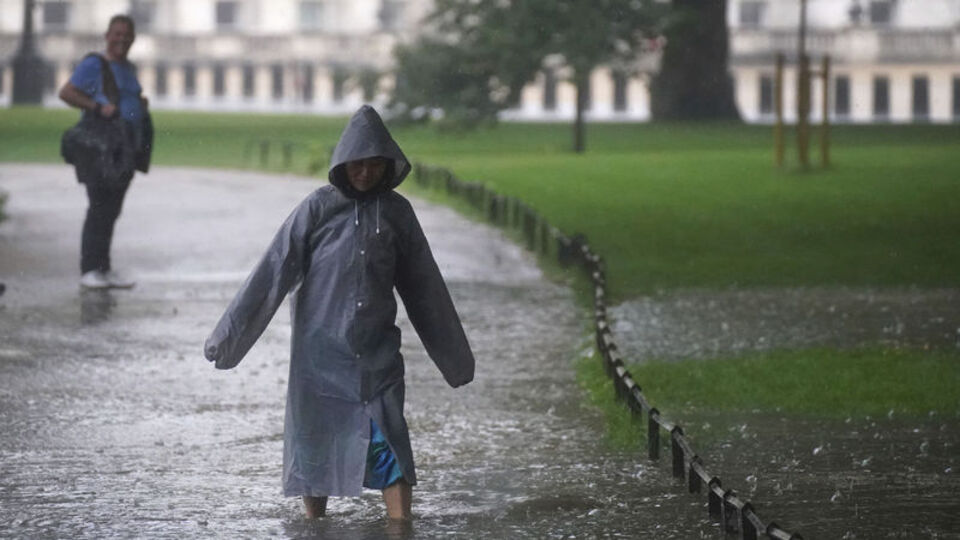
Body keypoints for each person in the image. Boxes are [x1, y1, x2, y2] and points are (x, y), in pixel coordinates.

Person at [204, 105, 475, 521]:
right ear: (342, 165)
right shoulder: (316, 209)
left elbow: (425, 287)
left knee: (390, 441)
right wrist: (228, 338)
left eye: (373, 165)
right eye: (357, 166)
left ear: (388, 166)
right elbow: (272, 272)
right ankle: (316, 525)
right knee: (315, 445)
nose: (365, 174)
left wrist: (456, 360)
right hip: (319, 357)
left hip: (377, 354)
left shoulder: (398, 214)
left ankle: (401, 527)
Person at [59, 14, 151, 290]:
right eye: (117, 33)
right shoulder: (94, 64)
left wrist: (139, 104)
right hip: (102, 147)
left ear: (133, 37)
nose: (122, 38)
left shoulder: (128, 67)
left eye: (127, 34)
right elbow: (67, 92)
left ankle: (103, 268)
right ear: (107, 36)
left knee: (111, 209)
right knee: (99, 207)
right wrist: (97, 107)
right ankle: (89, 269)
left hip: (124, 147)